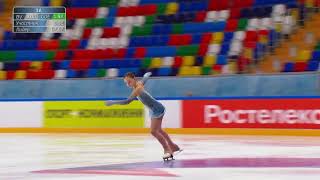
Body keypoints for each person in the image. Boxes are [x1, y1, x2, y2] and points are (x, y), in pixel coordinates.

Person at [105, 72, 181, 160]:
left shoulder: (138, 89)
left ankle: (167, 150)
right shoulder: (138, 84)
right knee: (159, 130)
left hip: (157, 109)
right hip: (153, 109)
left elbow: (127, 101)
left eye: (129, 81)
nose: (128, 84)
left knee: (153, 131)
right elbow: (143, 81)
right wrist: (146, 76)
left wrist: (113, 102)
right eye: (126, 83)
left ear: (134, 79)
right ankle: (173, 146)